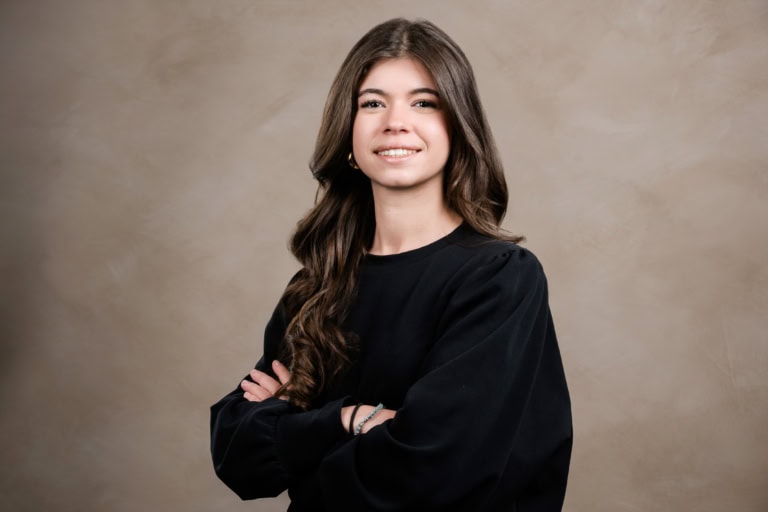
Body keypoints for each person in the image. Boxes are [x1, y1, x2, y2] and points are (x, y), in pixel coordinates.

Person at [210, 17, 572, 511]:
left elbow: (433, 475)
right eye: (373, 103)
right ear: (350, 136)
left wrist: (297, 433)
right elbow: (237, 454)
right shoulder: (317, 286)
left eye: (424, 102)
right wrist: (350, 420)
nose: (395, 122)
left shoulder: (500, 278)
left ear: (457, 129)